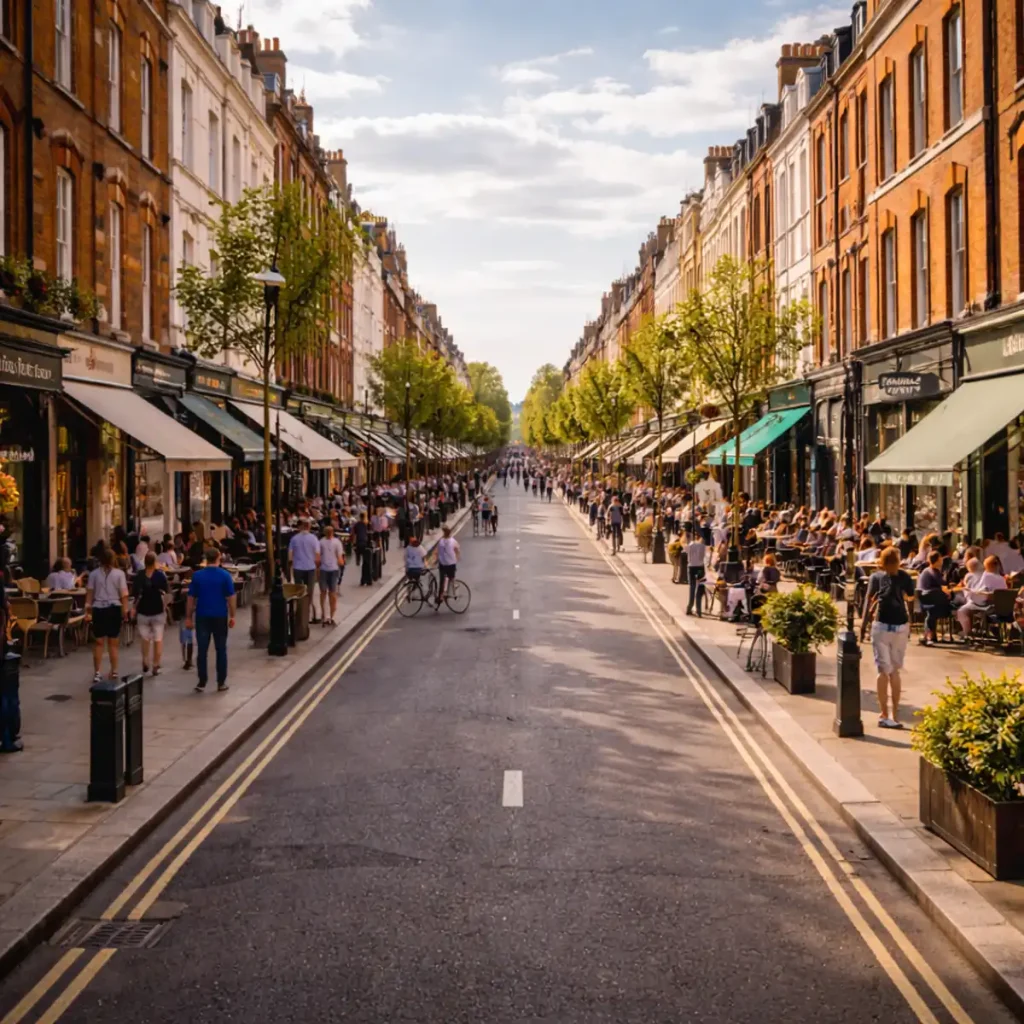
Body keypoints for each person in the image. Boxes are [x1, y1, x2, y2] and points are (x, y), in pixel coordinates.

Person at [864, 546, 915, 729]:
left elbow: (869, 600)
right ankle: (894, 713)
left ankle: (885, 713)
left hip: (882, 625)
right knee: (894, 671)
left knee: (883, 670)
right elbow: (910, 597)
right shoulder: (904, 577)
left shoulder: (876, 577)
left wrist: (863, 626)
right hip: (900, 626)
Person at [185, 548, 236, 693]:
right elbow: (231, 598)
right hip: (220, 615)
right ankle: (221, 682)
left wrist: (188, 617)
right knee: (221, 649)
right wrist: (232, 616)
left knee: (202, 650)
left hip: (202, 616)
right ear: (219, 558)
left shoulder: (197, 576)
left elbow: (191, 598)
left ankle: (202, 681)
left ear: (206, 558)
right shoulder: (225, 576)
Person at [85, 548, 129, 683]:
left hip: (98, 608)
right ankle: (114, 670)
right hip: (114, 608)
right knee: (113, 643)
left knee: (98, 642)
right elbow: (124, 594)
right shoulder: (120, 574)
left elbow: (89, 594)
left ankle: (97, 672)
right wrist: (125, 611)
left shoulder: (93, 574)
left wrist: (87, 610)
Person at [131, 552, 169, 675]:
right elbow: (167, 592)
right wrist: (165, 605)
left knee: (145, 638)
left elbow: (135, 594)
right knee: (158, 639)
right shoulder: (160, 575)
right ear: (154, 562)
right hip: (157, 609)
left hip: (143, 611)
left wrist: (133, 609)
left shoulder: (139, 576)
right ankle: (156, 664)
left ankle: (145, 660)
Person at [955, 554, 1008, 640]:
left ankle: (968, 634)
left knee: (962, 610)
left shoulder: (986, 575)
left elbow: (979, 593)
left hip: (987, 607)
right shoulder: (1002, 578)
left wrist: (968, 591)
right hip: (1001, 608)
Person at [916, 550, 951, 648]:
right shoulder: (933, 572)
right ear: (937, 560)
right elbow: (943, 586)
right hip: (930, 598)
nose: (942, 561)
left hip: (926, 598)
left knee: (933, 612)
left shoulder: (927, 570)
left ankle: (929, 636)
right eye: (940, 559)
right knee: (949, 604)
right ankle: (928, 636)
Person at [288, 518, 321, 621]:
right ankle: (308, 615)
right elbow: (317, 555)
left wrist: (290, 568)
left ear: (301, 526)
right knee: (309, 592)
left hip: (298, 568)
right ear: (309, 526)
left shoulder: (294, 539)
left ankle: (299, 613)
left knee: (299, 592)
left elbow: (290, 555)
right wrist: (318, 567)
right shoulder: (314, 538)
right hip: (310, 568)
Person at [318, 524, 345, 626]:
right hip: (330, 569)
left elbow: (318, 557)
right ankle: (329, 615)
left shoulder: (322, 542)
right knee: (330, 593)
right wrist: (341, 565)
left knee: (326, 593)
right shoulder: (334, 542)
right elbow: (340, 558)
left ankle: (327, 615)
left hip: (327, 569)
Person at [684, 530, 707, 618]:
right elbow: (703, 557)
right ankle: (699, 610)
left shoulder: (690, 545)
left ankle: (689, 607)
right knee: (700, 588)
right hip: (700, 567)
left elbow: (685, 552)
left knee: (692, 587)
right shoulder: (702, 546)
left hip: (691, 567)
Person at [436, 525, 460, 604]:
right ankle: (454, 586)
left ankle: (441, 596)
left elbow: (438, 552)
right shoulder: (452, 541)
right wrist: (457, 558)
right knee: (451, 577)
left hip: (443, 563)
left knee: (442, 580)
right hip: (451, 563)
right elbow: (457, 550)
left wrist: (436, 560)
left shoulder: (441, 541)